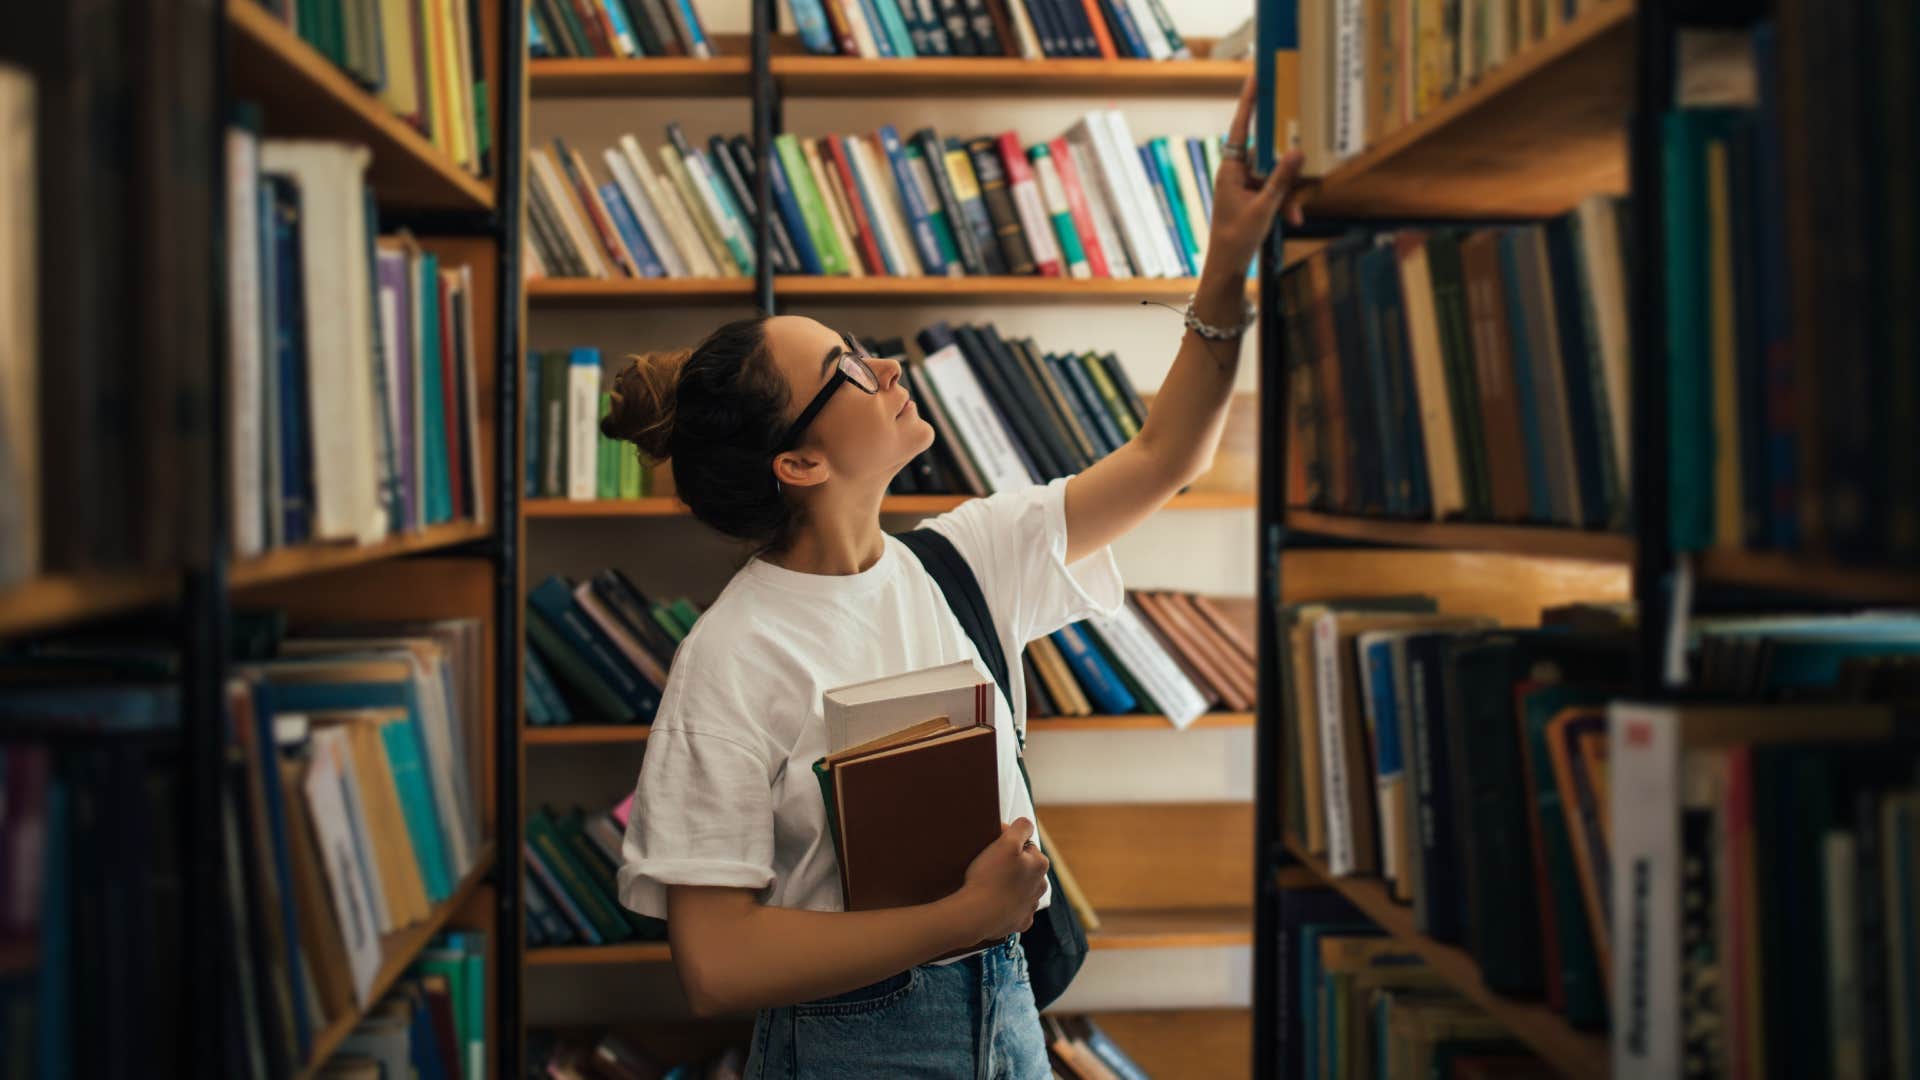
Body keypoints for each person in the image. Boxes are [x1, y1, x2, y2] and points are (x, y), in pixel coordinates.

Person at [606, 76, 1305, 1079]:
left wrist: (1228, 260)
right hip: (851, 1048)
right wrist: (959, 918)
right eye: (848, 369)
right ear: (799, 465)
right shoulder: (729, 657)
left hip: (1008, 1013)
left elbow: (1165, 460)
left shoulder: (964, 556)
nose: (888, 366)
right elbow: (714, 963)